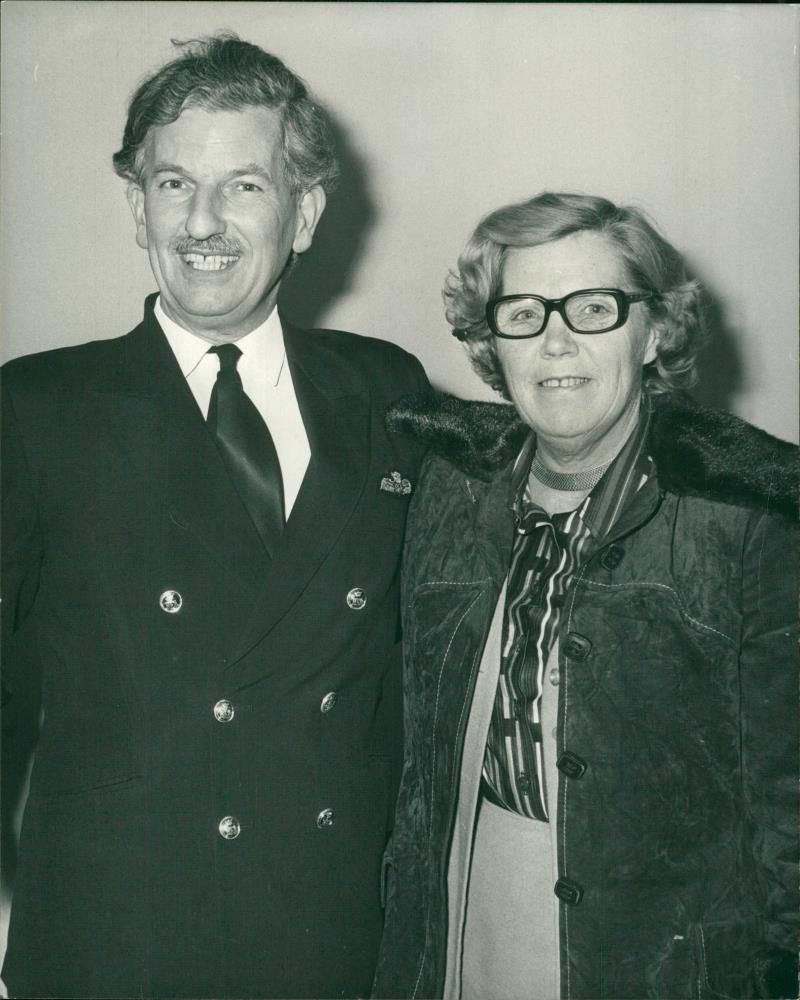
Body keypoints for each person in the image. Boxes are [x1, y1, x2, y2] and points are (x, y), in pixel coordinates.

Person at [1, 33, 428, 1000]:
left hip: (324, 926)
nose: (203, 222)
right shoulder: (36, 409)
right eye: (171, 184)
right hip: (115, 933)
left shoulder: (386, 389)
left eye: (244, 186)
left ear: (304, 212)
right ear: (135, 205)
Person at [372, 192, 799, 1000]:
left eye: (595, 308)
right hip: (467, 928)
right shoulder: (448, 493)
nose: (557, 341)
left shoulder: (749, 522)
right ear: (491, 340)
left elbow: (791, 814)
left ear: (656, 331)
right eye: (524, 312)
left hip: (656, 962)